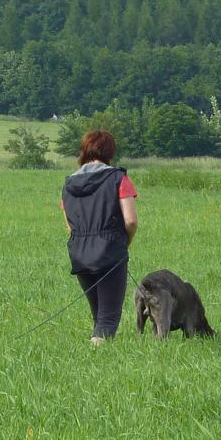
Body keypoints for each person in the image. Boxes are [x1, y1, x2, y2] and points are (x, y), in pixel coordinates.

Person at [60, 129, 137, 345]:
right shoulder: (118, 178)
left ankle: (95, 356)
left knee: (98, 315)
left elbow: (69, 224)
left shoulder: (68, 183)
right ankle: (98, 359)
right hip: (110, 251)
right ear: (110, 152)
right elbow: (130, 220)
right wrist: (125, 243)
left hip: (80, 253)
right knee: (108, 318)